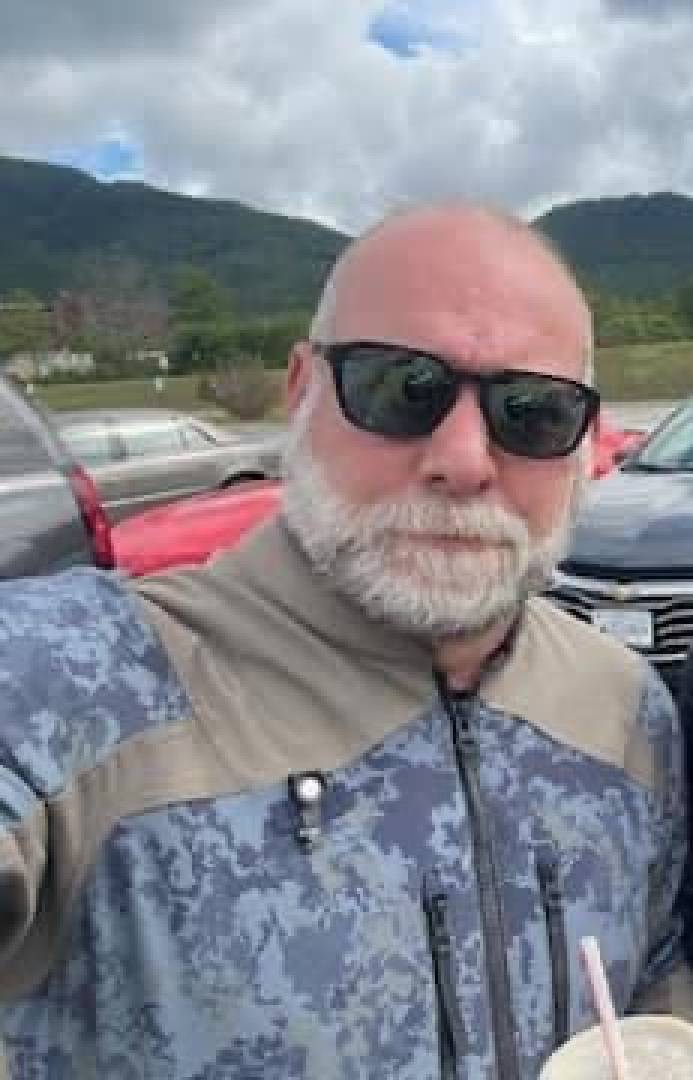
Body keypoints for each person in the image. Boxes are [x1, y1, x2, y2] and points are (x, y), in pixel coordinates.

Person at [0, 204, 690, 1080]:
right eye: (402, 387)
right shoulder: (81, 677)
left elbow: (655, 987)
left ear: (583, 444)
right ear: (301, 390)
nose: (464, 459)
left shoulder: (625, 708)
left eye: (532, 411)